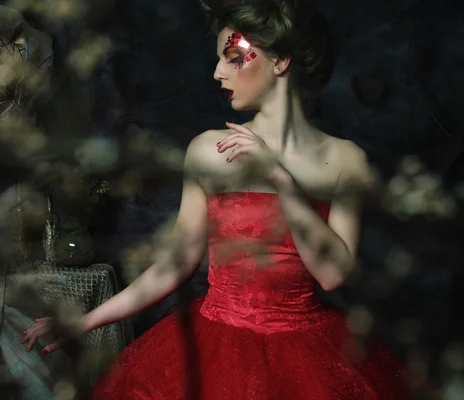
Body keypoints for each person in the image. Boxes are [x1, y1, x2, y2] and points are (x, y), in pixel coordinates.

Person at [21, 0, 411, 398]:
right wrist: (86, 321)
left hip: (308, 358)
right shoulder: (211, 151)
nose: (217, 73)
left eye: (233, 57)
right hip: (214, 347)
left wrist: (281, 180)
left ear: (281, 61)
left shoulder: (346, 160)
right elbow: (174, 265)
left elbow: (333, 274)